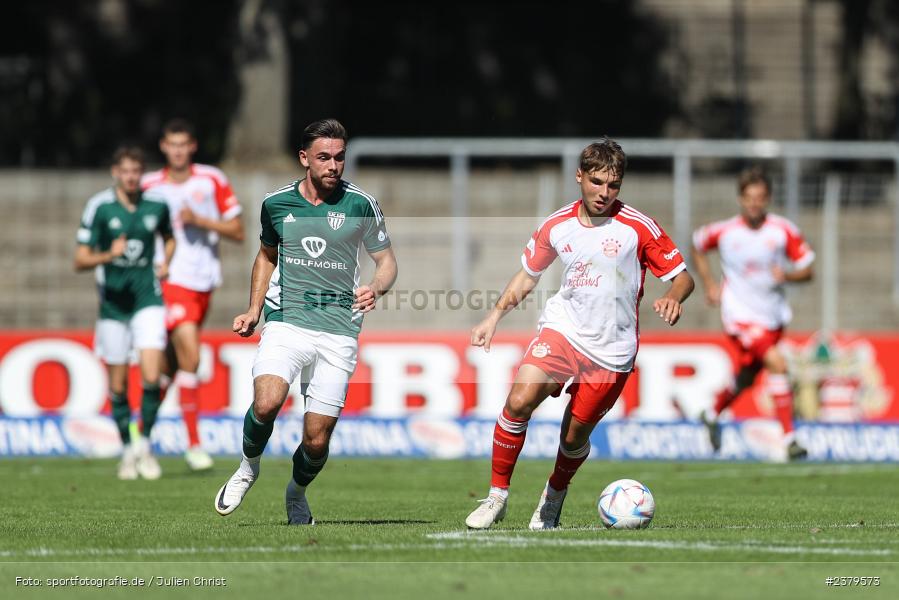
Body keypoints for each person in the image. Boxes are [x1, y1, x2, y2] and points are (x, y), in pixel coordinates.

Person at [465, 138, 694, 530]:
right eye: (597, 182)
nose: (604, 192)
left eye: (613, 184)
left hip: (613, 350)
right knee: (519, 400)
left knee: (572, 438)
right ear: (579, 177)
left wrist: (674, 296)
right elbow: (528, 275)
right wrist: (494, 317)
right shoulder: (557, 225)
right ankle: (496, 496)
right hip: (564, 331)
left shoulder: (638, 227)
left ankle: (554, 495)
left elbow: (683, 278)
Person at [214, 118, 397, 524]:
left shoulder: (360, 205)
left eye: (340, 157)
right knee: (267, 402)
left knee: (316, 441)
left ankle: (296, 492)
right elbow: (265, 255)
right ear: (304, 159)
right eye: (324, 157)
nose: (334, 165)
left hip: (339, 329)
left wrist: (376, 287)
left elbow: (386, 262)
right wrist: (254, 309)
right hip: (287, 321)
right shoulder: (276, 204)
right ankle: (247, 470)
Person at [141, 119, 245, 471]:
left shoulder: (211, 179)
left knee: (172, 367)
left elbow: (238, 230)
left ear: (193, 146)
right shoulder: (149, 185)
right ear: (163, 147)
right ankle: (194, 444)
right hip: (169, 281)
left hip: (203, 282)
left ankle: (140, 438)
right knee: (192, 354)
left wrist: (201, 220)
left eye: (184, 144)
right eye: (172, 144)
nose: (178, 151)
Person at [693, 167, 814, 461]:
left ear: (768, 198)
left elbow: (808, 270)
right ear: (740, 199)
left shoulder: (783, 230)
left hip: (772, 317)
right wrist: (710, 285)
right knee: (777, 362)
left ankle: (712, 412)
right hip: (739, 316)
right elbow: (697, 244)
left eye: (760, 198)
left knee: (747, 378)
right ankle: (789, 438)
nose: (754, 204)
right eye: (749, 198)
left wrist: (786, 276)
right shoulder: (725, 231)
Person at [75, 146, 175, 480]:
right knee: (118, 386)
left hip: (148, 299)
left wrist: (165, 262)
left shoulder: (157, 204)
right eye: (125, 171)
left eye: (137, 171)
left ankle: (145, 445)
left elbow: (170, 238)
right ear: (115, 173)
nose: (131, 177)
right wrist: (108, 254)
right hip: (113, 306)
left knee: (150, 375)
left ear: (141, 173)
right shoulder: (100, 207)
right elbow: (80, 259)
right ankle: (127, 450)